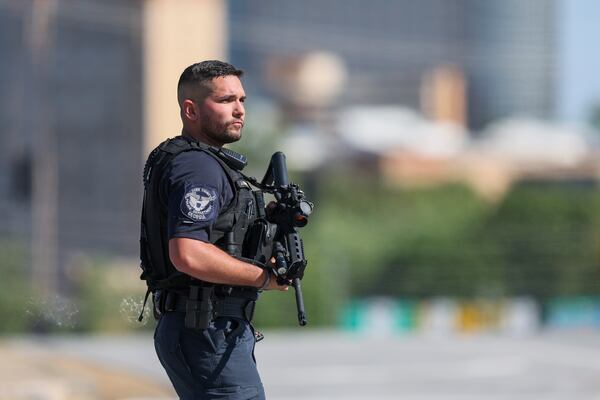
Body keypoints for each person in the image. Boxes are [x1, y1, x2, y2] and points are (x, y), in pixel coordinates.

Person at [139, 60, 288, 399]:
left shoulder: (200, 162)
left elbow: (217, 233)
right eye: (225, 101)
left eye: (242, 100)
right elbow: (188, 253)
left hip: (211, 329)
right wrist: (264, 277)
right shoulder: (199, 168)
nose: (239, 110)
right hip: (205, 331)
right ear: (191, 110)